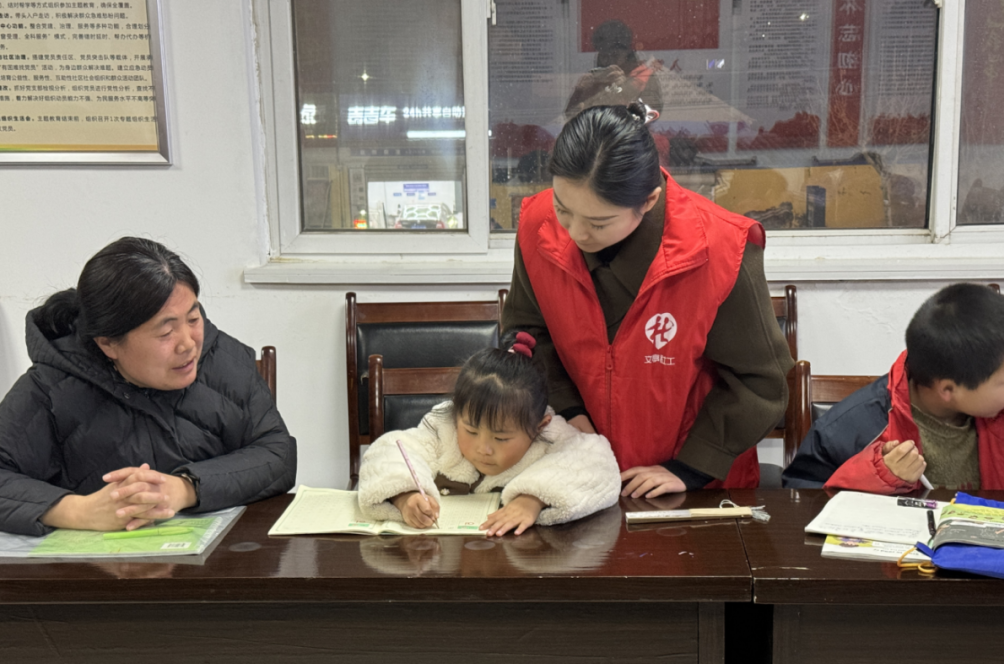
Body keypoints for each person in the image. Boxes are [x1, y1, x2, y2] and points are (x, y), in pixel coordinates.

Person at [502, 103, 793, 499]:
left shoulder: (721, 249)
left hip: (692, 485)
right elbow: (528, 333)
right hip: (576, 471)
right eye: (563, 209)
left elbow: (760, 381)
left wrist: (692, 466)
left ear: (649, 201)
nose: (575, 233)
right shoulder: (537, 225)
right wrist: (568, 411)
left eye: (599, 222)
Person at [0, 237, 297, 536]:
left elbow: (276, 452)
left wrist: (184, 489)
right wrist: (80, 510)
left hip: (220, 557)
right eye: (166, 332)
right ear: (108, 343)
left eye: (193, 318)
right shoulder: (51, 387)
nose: (188, 344)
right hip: (96, 561)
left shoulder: (223, 361)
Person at [783, 283, 1004, 493]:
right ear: (948, 389)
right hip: (901, 561)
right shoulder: (850, 427)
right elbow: (801, 500)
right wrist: (877, 476)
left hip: (989, 557)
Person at [356, 332, 621, 537]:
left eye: (501, 438)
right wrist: (405, 496)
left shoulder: (552, 437)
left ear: (539, 426)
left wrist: (533, 499)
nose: (483, 448)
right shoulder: (442, 430)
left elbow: (597, 462)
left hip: (524, 562)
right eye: (471, 431)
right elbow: (389, 450)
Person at [565, 19, 663, 119]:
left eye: (615, 55)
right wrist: (582, 92)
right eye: (604, 56)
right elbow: (570, 116)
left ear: (627, 54)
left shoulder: (643, 76)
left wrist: (626, 89)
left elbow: (651, 114)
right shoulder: (593, 79)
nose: (610, 62)